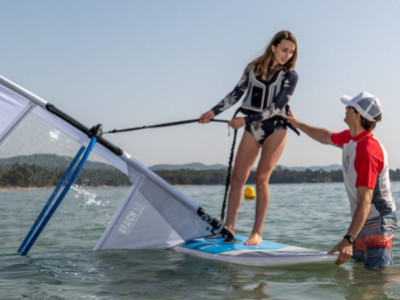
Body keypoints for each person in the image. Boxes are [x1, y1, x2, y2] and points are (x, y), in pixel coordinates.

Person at [199, 30, 299, 245]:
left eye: (291, 52)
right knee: (238, 178)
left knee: (261, 178)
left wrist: (245, 120)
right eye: (284, 50)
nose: (287, 55)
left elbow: (277, 106)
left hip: (276, 128)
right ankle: (229, 227)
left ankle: (257, 233)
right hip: (253, 128)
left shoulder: (290, 76)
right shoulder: (253, 68)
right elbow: (235, 94)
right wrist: (213, 112)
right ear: (273, 47)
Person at [283, 91, 397, 268]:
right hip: (362, 217)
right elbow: (324, 136)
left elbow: (365, 202)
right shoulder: (351, 138)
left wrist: (348, 239)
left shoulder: (368, 151)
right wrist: (296, 123)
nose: (345, 108)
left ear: (357, 115)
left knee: (378, 277)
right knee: (361, 273)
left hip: (377, 219)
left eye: (349, 107)